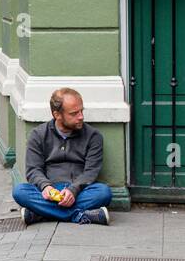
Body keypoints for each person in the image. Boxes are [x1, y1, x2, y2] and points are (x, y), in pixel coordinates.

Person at [13, 87, 112, 225]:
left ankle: (41, 214)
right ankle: (78, 215)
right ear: (57, 115)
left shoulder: (93, 136)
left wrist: (73, 190)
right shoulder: (38, 135)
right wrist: (46, 186)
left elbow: (91, 172)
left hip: (79, 191)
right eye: (74, 113)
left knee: (104, 193)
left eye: (81, 111)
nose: (81, 117)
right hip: (50, 191)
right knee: (20, 191)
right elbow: (33, 170)